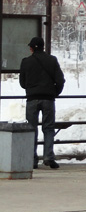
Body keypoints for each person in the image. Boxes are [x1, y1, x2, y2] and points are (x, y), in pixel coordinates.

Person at [19, 36, 65, 170]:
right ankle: (48, 157)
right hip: (48, 99)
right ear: (43, 47)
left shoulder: (26, 62)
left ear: (32, 48)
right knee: (49, 128)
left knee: (31, 128)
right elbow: (60, 80)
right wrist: (54, 93)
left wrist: (31, 89)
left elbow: (22, 83)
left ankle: (32, 159)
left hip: (32, 99)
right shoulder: (52, 60)